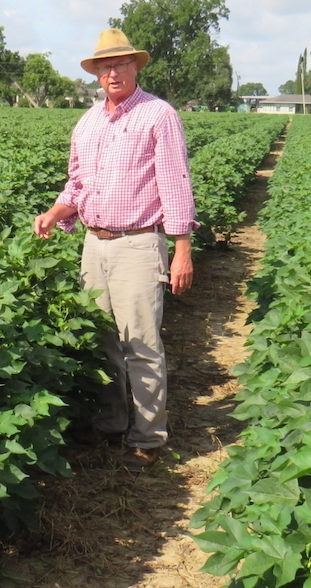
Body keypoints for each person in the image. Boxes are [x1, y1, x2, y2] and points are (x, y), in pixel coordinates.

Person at [33, 29, 197, 471]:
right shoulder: (86, 122)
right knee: (103, 341)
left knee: (141, 342)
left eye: (120, 64)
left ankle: (148, 436)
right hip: (94, 242)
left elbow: (176, 184)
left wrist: (182, 249)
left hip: (139, 243)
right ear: (96, 73)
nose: (112, 72)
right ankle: (111, 422)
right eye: (104, 66)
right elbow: (78, 182)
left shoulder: (157, 115)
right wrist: (54, 212)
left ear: (135, 67)